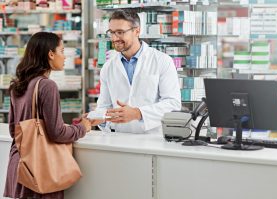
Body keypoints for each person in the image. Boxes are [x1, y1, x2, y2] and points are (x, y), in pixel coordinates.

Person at [3, 32, 92, 199]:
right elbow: (56, 133)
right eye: (62, 51)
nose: (64, 57)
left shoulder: (17, 85)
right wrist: (83, 127)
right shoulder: (47, 86)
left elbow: (14, 130)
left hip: (19, 165)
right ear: (50, 54)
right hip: (40, 166)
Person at [93, 9, 181, 133]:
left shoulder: (162, 61)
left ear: (137, 31)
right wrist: (96, 117)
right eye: (111, 32)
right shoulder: (108, 67)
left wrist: (137, 113)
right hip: (119, 139)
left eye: (120, 32)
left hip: (153, 140)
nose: (114, 38)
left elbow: (172, 104)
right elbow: (104, 107)